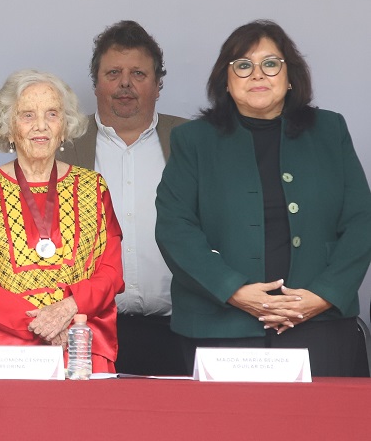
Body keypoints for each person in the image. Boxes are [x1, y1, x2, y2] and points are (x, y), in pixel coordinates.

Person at [156, 20, 371, 377]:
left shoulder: (330, 131)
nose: (257, 74)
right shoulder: (193, 140)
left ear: (290, 77)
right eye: (243, 65)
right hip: (220, 328)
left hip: (319, 326)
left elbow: (362, 222)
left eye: (271, 63)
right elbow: (174, 228)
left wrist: (321, 297)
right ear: (226, 80)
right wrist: (235, 292)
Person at [0, 70, 124, 373]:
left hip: (78, 344)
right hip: (0, 351)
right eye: (27, 115)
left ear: (64, 126)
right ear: (7, 127)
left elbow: (110, 271)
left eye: (52, 114)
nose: (41, 125)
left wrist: (69, 309)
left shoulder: (93, 188)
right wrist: (37, 322)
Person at [62, 21, 188, 375]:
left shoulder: (192, 140)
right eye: (113, 72)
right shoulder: (63, 145)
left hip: (178, 330)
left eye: (138, 73)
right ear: (96, 82)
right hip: (90, 332)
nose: (125, 84)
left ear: (158, 84)